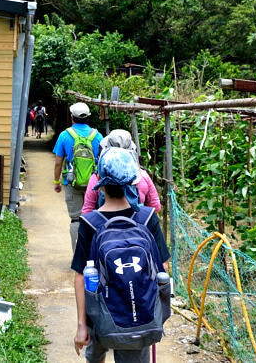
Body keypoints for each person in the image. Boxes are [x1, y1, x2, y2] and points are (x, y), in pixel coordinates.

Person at [72, 147, 171, 363]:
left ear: (100, 183)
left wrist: (82, 326)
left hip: (99, 314)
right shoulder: (147, 217)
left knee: (95, 357)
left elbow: (81, 276)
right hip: (139, 316)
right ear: (134, 182)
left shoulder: (90, 223)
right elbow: (161, 268)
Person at [53, 102, 104, 251]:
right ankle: (93, 254)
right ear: (88, 117)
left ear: (72, 117)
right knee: (94, 218)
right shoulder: (98, 136)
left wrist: (57, 182)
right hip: (94, 184)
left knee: (76, 219)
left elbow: (58, 163)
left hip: (72, 183)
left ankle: (78, 256)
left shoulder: (64, 135)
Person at [81, 129, 162, 215]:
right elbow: (155, 206)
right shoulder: (142, 176)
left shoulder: (98, 178)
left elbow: (87, 211)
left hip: (103, 222)